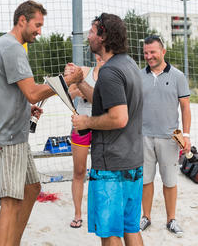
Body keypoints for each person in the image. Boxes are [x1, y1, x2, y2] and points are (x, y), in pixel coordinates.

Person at [0, 0, 83, 246]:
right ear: (22, 20)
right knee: (9, 201)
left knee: (32, 188)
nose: (39, 30)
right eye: (37, 25)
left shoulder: (7, 46)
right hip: (6, 137)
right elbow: (34, 92)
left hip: (14, 134)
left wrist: (25, 108)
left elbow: (9, 91)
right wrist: (66, 81)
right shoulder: (13, 48)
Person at [69, 13, 144, 245]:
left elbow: (119, 117)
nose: (88, 36)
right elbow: (104, 101)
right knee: (130, 227)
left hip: (111, 165)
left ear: (103, 36)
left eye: (92, 31)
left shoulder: (110, 72)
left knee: (110, 232)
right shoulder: (128, 64)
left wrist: (86, 122)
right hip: (132, 160)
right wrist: (81, 81)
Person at [139, 35, 191, 237]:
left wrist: (185, 135)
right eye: (146, 53)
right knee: (146, 180)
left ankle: (171, 219)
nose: (149, 56)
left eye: (152, 52)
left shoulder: (178, 76)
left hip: (171, 136)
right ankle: (146, 216)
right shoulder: (138, 74)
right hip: (143, 136)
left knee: (170, 181)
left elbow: (186, 108)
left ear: (163, 52)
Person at [69, 54, 104, 229]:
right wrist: (80, 90)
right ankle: (77, 213)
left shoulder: (112, 74)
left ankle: (98, 211)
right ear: (97, 55)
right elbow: (69, 91)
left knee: (100, 172)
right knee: (79, 171)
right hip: (81, 126)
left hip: (101, 125)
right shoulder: (85, 71)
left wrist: (89, 93)